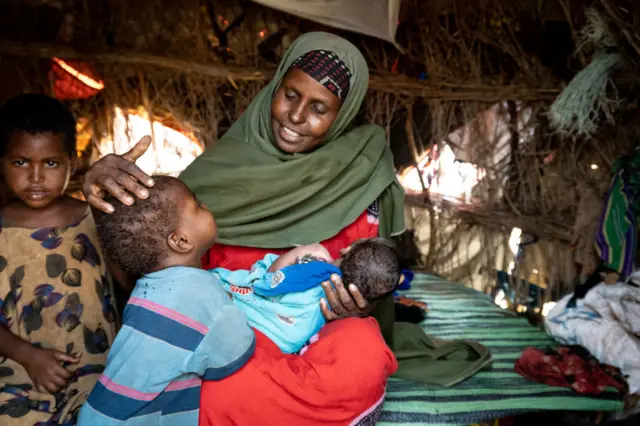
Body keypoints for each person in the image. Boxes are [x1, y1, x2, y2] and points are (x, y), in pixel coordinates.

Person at [81, 31, 478, 390]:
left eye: (319, 108)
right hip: (218, 338)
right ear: (275, 86)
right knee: (203, 371)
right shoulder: (211, 176)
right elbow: (143, 268)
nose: (296, 116)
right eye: (290, 94)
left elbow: (366, 276)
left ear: (342, 117)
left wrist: (358, 306)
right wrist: (105, 200)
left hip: (312, 338)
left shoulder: (361, 175)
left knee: (366, 353)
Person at [77, 176, 255, 425]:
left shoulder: (144, 291)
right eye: (199, 206)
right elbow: (233, 356)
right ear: (180, 241)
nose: (207, 208)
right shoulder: (202, 292)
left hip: (100, 413)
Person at [0, 93, 118, 424]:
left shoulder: (96, 218)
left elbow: (129, 282)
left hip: (99, 381)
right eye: (20, 162)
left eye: (50, 163)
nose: (35, 178)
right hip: (19, 384)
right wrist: (27, 356)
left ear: (73, 162)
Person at [213, 238, 403, 353]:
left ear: (347, 249)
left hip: (247, 314)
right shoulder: (341, 308)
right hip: (276, 344)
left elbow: (269, 283)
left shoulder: (314, 268)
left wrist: (300, 251)